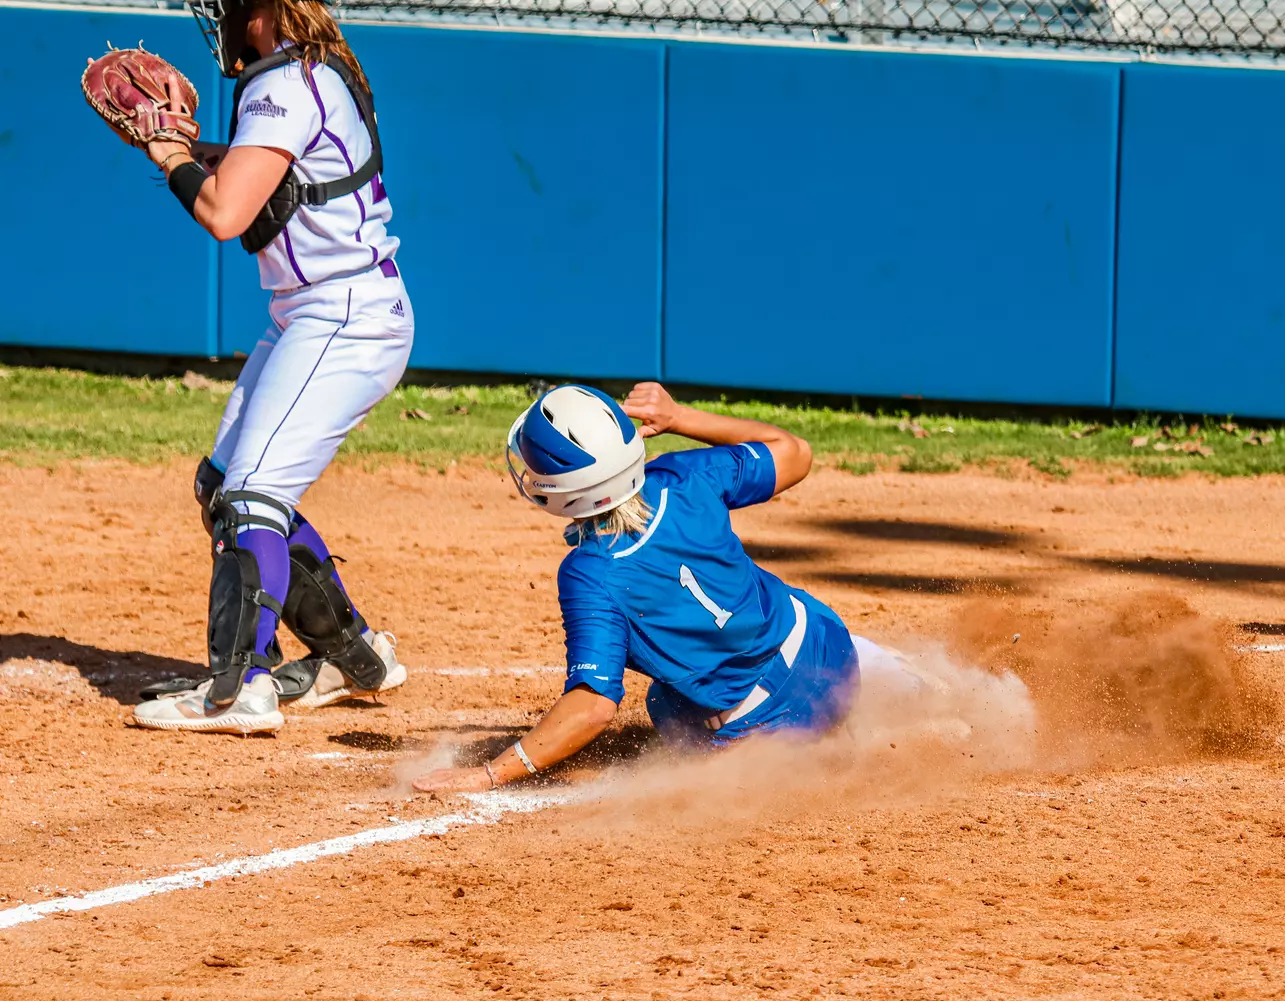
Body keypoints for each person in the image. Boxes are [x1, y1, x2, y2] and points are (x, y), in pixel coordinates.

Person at [132, 0, 411, 733]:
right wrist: (195, 149)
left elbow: (226, 214)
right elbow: (272, 183)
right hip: (316, 313)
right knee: (225, 484)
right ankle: (353, 656)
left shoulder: (282, 82)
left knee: (251, 494)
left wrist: (168, 156)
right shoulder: (307, 68)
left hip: (341, 316)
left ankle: (239, 689)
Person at [413, 383, 885, 793]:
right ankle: (900, 685)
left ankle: (811, 752)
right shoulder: (681, 478)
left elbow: (593, 706)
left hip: (771, 725)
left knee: (669, 708)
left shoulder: (590, 571)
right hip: (829, 647)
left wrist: (489, 774)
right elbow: (794, 451)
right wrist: (680, 417)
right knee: (709, 667)